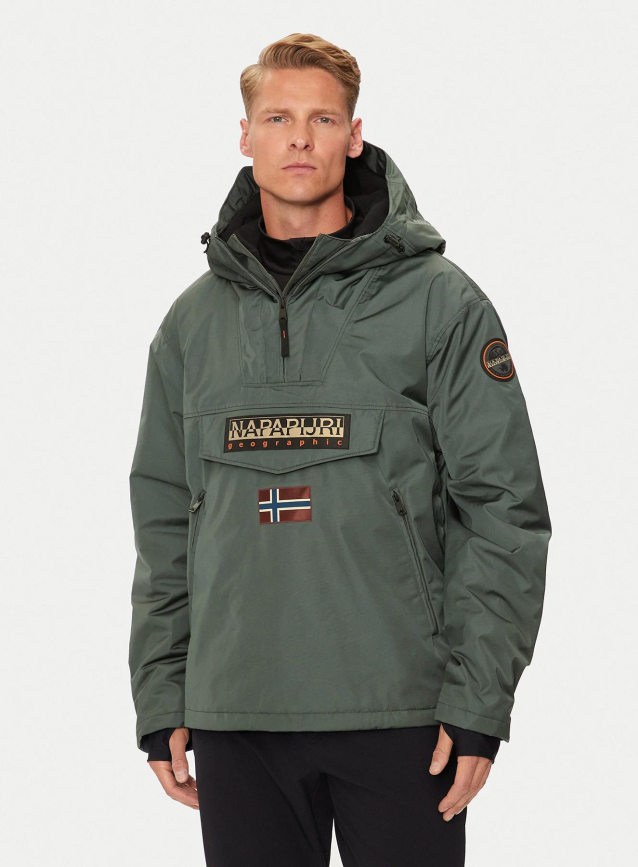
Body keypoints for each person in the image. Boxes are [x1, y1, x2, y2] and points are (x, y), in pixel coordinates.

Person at [128, 32, 551, 866]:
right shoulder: (191, 324)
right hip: (237, 709)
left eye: (322, 119)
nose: (299, 139)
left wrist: (479, 702)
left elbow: (503, 509)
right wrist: (161, 690)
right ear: (245, 136)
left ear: (354, 136)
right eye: (277, 118)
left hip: (404, 712)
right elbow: (165, 521)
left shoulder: (441, 304)